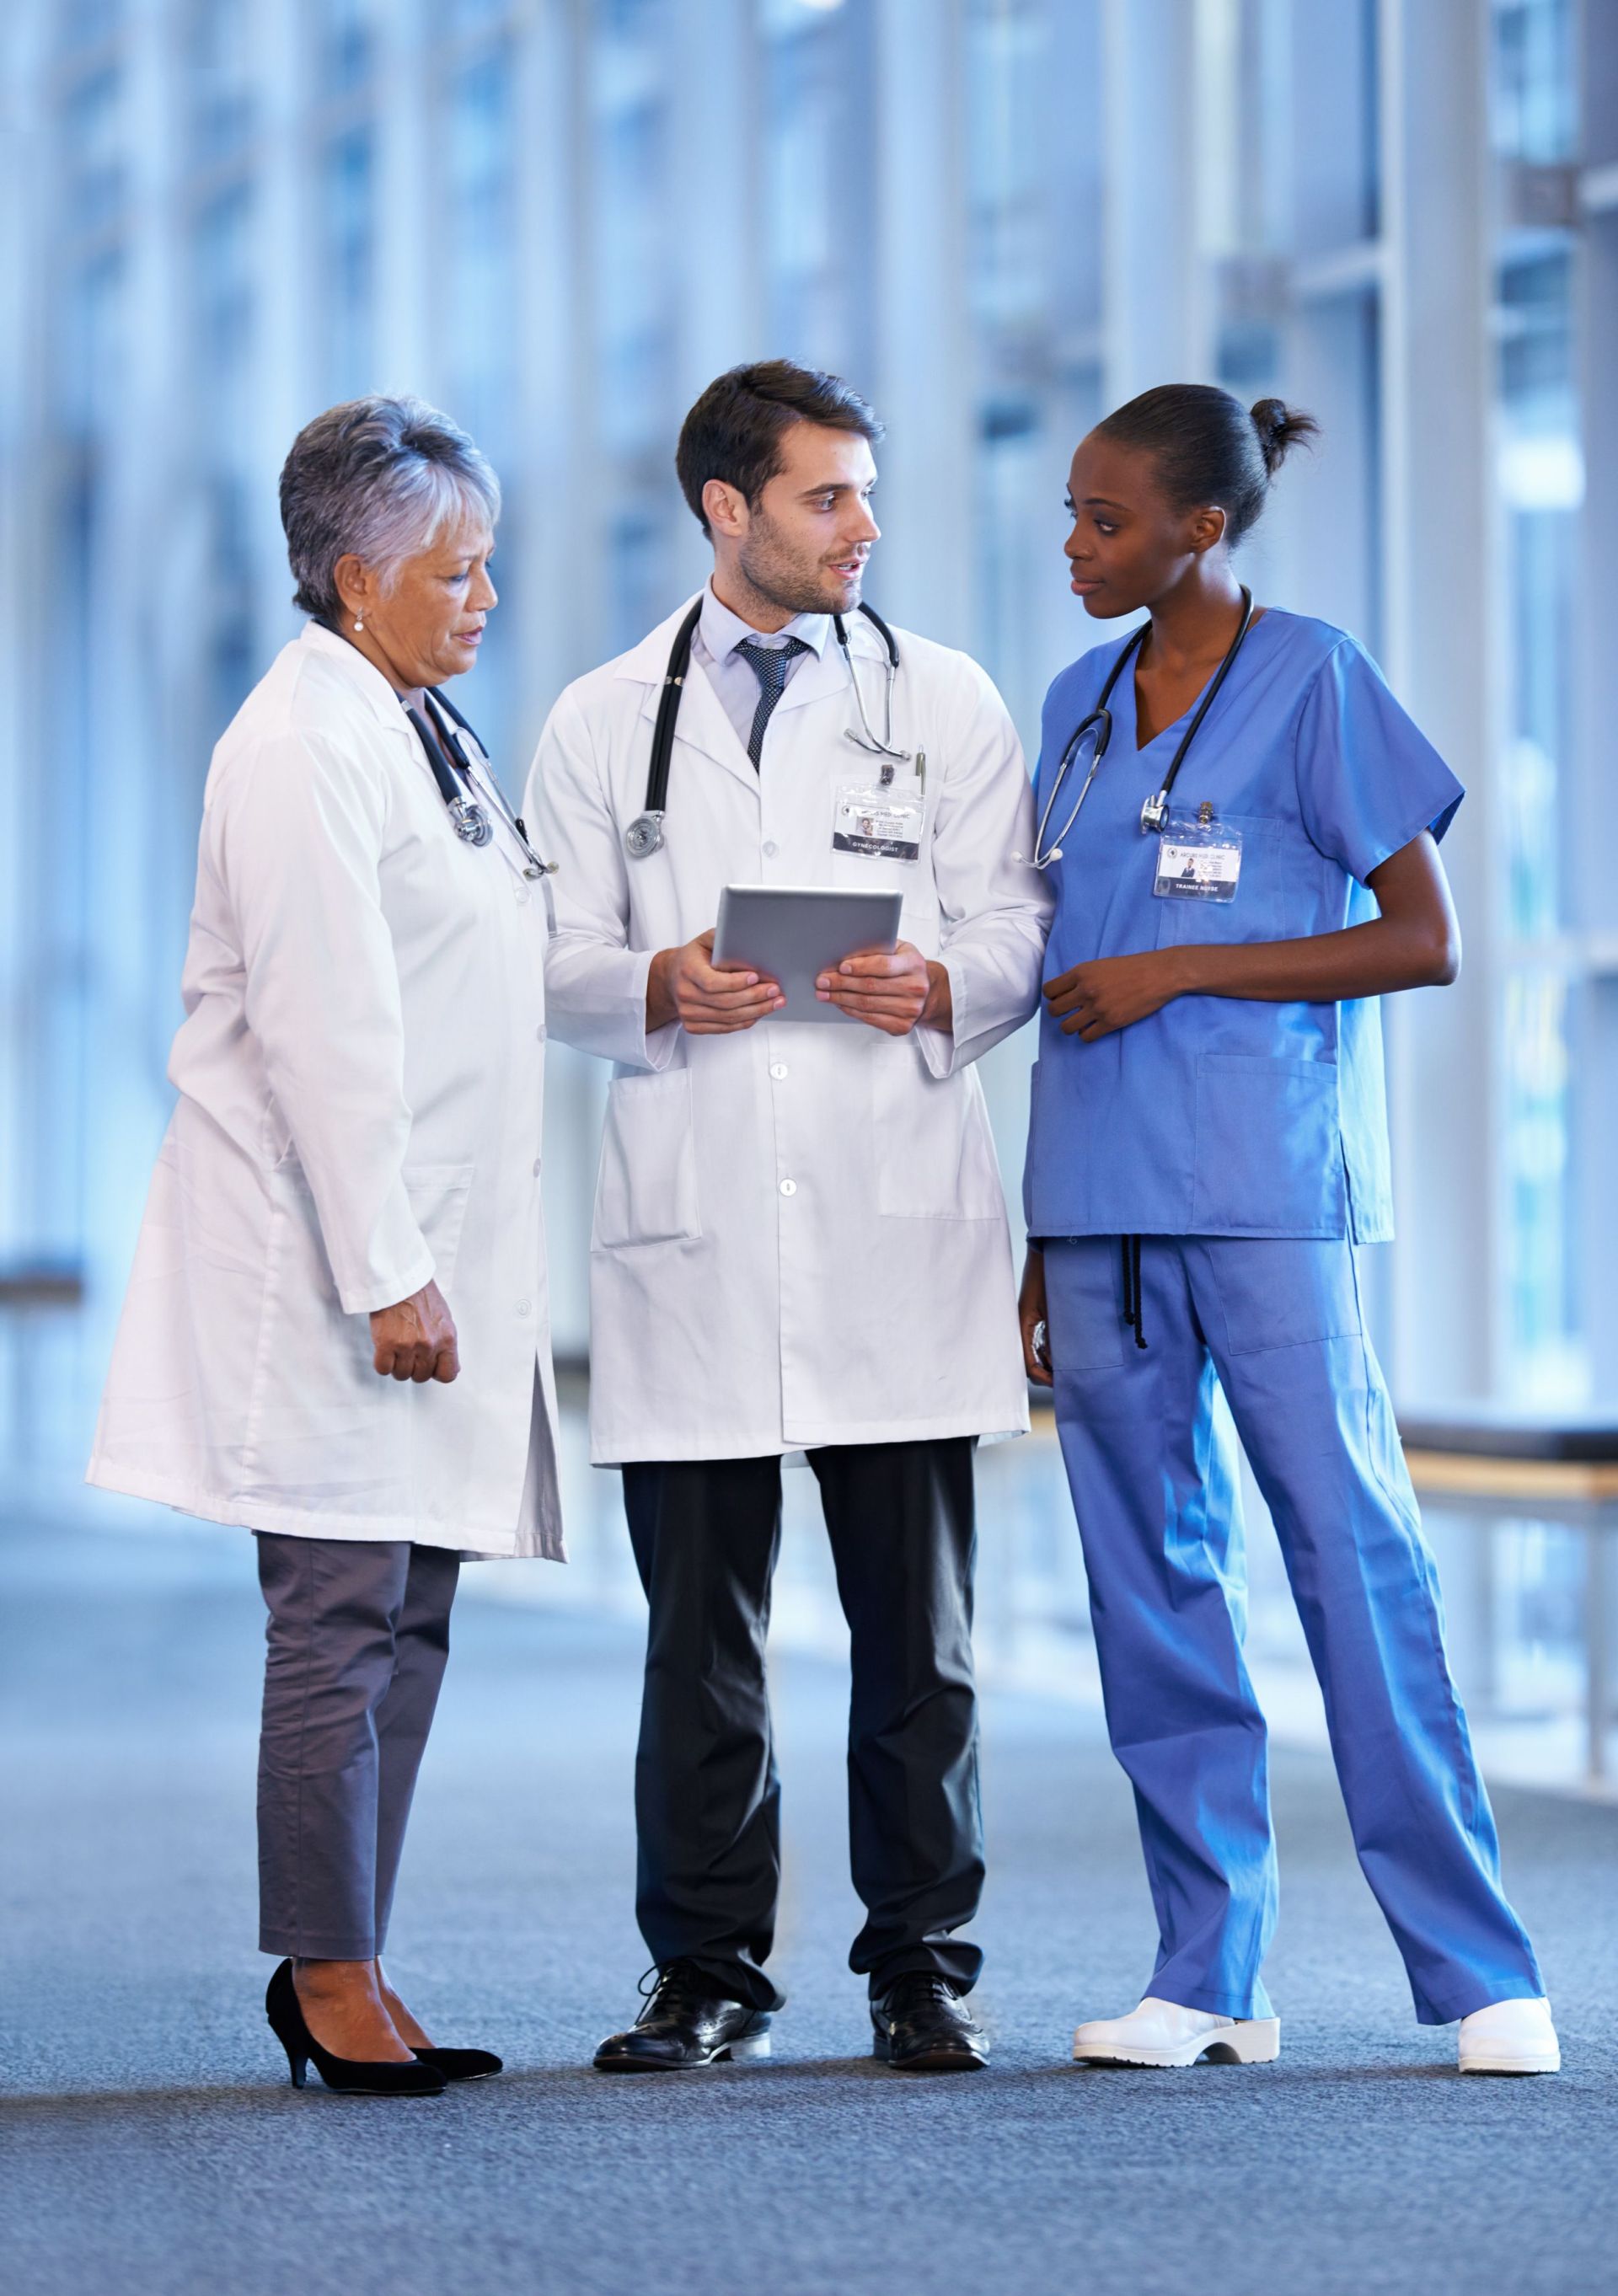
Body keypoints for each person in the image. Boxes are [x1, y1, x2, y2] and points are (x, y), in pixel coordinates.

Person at [1018, 383, 1558, 2078]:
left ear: (1203, 527)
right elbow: (1051, 964)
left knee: (1354, 1560)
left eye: (1108, 521)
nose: (1076, 546)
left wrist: (1182, 968)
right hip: (1096, 1194)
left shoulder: (1314, 677)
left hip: (1264, 1186)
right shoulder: (1078, 705)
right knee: (1150, 1582)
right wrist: (1040, 1241)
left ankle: (1480, 1973)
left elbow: (1424, 938)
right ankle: (1207, 1971)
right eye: (1070, 515)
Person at [525, 360, 1053, 2073]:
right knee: (702, 1651)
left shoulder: (944, 697)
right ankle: (706, 1974)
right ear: (726, 508)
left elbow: (1023, 924)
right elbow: (543, 960)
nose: (865, 528)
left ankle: (923, 1966)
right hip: (699, 1235)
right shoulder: (608, 716)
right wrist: (656, 981)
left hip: (893, 1216)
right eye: (830, 496)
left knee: (923, 1648)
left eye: (868, 493)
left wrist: (947, 979)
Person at [88, 396, 564, 2096]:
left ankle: (357, 1950)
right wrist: (384, 1263)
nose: (486, 596)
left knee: (408, 1608)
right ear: (362, 581)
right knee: (342, 1614)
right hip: (336, 1266)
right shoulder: (301, 744)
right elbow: (321, 1032)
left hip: (415, 1247)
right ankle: (324, 1974)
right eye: (459, 568)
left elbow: (480, 960)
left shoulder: (416, 725)